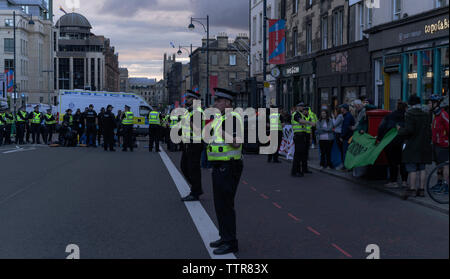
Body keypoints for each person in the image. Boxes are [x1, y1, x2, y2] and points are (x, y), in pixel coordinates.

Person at [207, 88, 243, 255]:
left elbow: (236, 142)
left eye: (218, 100)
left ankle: (231, 242)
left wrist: (220, 131)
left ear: (227, 103)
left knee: (226, 205)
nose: (215, 103)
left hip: (229, 166)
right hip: (220, 165)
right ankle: (224, 236)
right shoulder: (221, 118)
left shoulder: (233, 118)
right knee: (220, 205)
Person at [397, 95, 433, 199]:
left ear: (410, 104)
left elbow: (409, 130)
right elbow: (429, 130)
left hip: (413, 145)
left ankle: (412, 189)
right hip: (424, 144)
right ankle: (421, 190)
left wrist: (400, 130)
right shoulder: (426, 114)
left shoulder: (410, 114)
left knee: (412, 168)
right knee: (422, 168)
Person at [377, 101, 408, 188]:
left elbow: (381, 127)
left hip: (390, 142)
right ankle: (404, 181)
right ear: (405, 108)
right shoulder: (407, 117)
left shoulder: (389, 116)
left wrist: (379, 139)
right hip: (403, 142)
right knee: (403, 161)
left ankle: (393, 181)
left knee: (392, 162)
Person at [180, 90, 204, 202]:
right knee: (185, 167)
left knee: (192, 169)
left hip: (195, 143)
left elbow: (197, 129)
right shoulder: (190, 111)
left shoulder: (197, 112)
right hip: (188, 143)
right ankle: (197, 188)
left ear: (194, 100)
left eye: (188, 98)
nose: (186, 100)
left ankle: (195, 192)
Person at [291, 102, 316, 177]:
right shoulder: (296, 114)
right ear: (297, 107)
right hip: (298, 136)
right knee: (298, 154)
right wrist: (310, 122)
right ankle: (296, 171)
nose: (302, 108)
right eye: (301, 106)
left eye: (303, 106)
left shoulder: (301, 115)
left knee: (301, 154)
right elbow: (300, 121)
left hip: (302, 136)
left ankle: (300, 170)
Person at [431, 95, 449, 189]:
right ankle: (439, 183)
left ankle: (446, 185)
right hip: (436, 143)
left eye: (431, 102)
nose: (429, 104)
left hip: (443, 144)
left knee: (445, 165)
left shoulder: (443, 114)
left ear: (436, 103)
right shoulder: (436, 114)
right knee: (439, 165)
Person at [339, 104, 355, 171]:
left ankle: (346, 166)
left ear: (344, 109)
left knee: (345, 152)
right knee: (347, 152)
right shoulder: (347, 116)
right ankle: (347, 166)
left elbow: (346, 127)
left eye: (341, 108)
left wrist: (342, 136)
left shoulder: (347, 117)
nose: (340, 109)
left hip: (347, 137)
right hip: (349, 137)